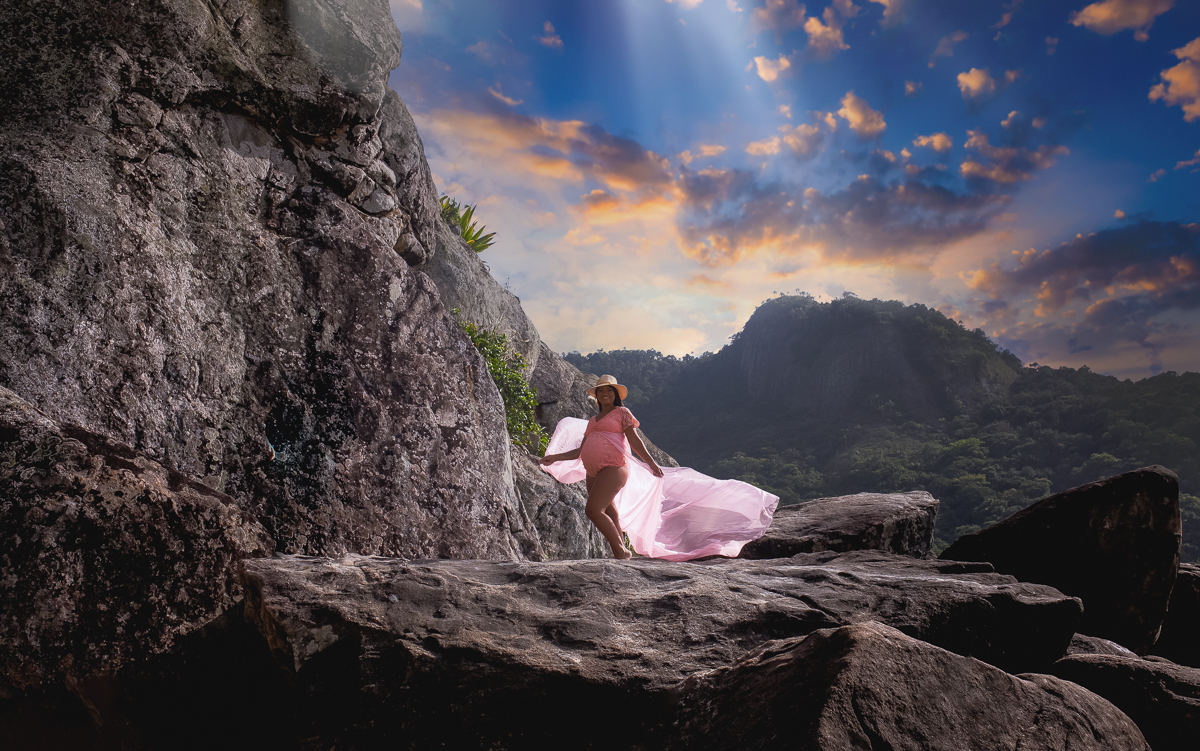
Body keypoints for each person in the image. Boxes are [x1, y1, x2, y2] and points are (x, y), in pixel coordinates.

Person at [539, 375, 778, 561]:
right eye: (600, 391)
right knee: (609, 509)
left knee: (593, 510)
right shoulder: (593, 421)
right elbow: (581, 450)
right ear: (596, 396)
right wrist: (555, 458)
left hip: (614, 467)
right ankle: (621, 549)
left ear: (615, 394)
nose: (604, 394)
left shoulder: (622, 413)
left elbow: (634, 440)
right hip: (593, 470)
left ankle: (620, 552)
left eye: (608, 391)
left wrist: (651, 462)